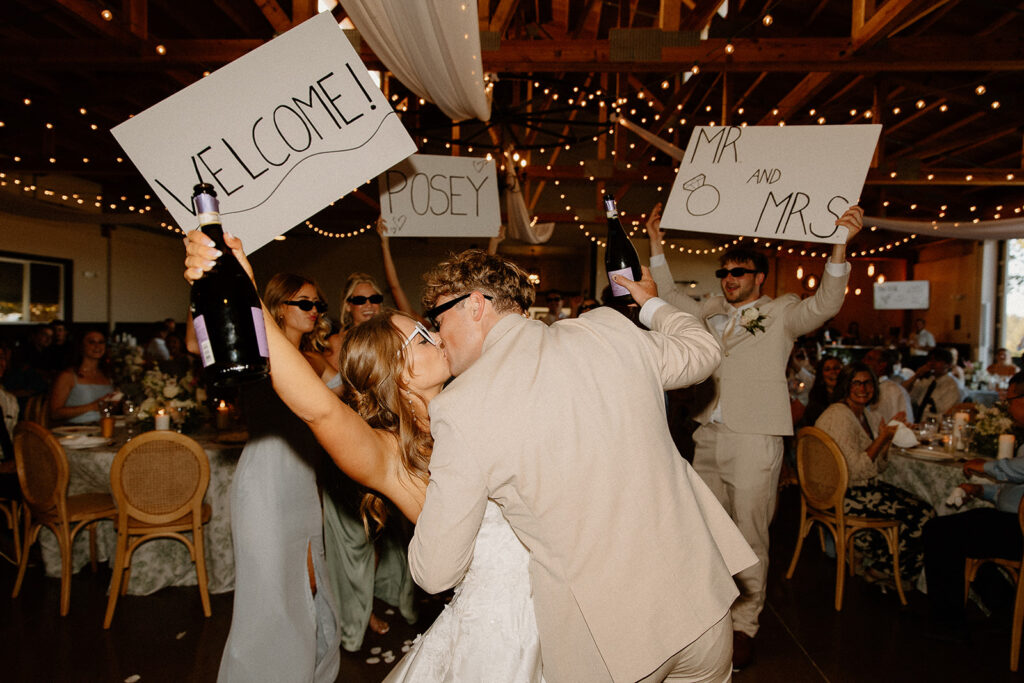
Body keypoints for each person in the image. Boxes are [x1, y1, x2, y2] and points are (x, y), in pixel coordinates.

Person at [184, 235, 568, 681]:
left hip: (558, 608)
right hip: (495, 636)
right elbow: (320, 408)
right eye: (422, 338)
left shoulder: (481, 409)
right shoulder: (387, 456)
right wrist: (246, 292)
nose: (438, 336)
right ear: (399, 374)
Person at [408, 250, 756, 683]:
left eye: (438, 318)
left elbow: (435, 571)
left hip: (609, 644)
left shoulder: (460, 408)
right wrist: (651, 303)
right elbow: (704, 350)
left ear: (474, 305)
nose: (438, 336)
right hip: (700, 606)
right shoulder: (607, 332)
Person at [645, 200, 863, 669]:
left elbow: (826, 303)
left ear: (759, 277)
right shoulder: (710, 308)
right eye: (725, 272)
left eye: (739, 272)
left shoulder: (782, 312)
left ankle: (745, 623)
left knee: (748, 533)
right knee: (704, 528)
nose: (729, 279)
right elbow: (666, 297)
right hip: (708, 434)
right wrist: (656, 242)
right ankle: (710, 614)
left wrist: (840, 243)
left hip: (755, 438)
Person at [191, 272, 342, 683]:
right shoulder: (258, 353)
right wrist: (220, 282)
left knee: (310, 584)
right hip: (264, 483)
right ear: (279, 308)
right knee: (269, 591)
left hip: (305, 482)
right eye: (305, 304)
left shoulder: (314, 359)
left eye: (317, 305)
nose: (315, 312)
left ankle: (304, 671)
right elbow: (193, 343)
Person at [326, 243, 420, 649]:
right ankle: (357, 617)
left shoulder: (391, 340)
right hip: (349, 454)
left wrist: (384, 245)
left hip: (393, 449)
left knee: (393, 536)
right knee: (356, 543)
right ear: (346, 306)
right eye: (358, 299)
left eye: (373, 298)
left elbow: (406, 301)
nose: (367, 304)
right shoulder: (331, 345)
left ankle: (396, 599)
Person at [923, 371, 1024, 641]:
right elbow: (1015, 492)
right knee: (956, 530)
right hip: (1012, 519)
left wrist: (986, 466)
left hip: (1019, 528)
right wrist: (982, 490)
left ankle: (948, 622)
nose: (1007, 405)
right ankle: (1004, 604)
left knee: (940, 532)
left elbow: (1019, 471)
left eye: (1010, 399)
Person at [814, 362, 935, 585]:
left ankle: (882, 565)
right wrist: (881, 438)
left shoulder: (864, 414)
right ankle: (883, 569)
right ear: (845, 386)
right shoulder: (840, 415)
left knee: (922, 507)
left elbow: (877, 467)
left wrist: (887, 437)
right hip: (840, 496)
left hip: (855, 489)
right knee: (922, 516)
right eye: (856, 383)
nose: (863, 388)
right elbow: (855, 470)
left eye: (868, 382)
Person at [48, 330, 116, 424]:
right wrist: (92, 406)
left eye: (101, 342)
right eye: (92, 342)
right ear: (82, 346)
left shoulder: (106, 375)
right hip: (76, 431)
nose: (97, 346)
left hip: (104, 427)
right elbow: (55, 413)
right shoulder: (68, 376)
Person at [904, 348, 967, 422]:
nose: (932, 363)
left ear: (948, 365)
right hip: (916, 422)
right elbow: (904, 394)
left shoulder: (952, 386)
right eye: (930, 360)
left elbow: (946, 414)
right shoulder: (927, 381)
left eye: (937, 361)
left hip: (935, 424)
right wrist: (916, 376)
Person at [862, 347, 914, 423]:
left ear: (882, 365)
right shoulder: (862, 388)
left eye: (869, 359)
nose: (864, 362)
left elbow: (906, 423)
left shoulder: (894, 390)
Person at [800, 355, 843, 429]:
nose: (833, 372)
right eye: (827, 369)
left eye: (836, 368)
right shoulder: (814, 400)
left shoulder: (851, 397)